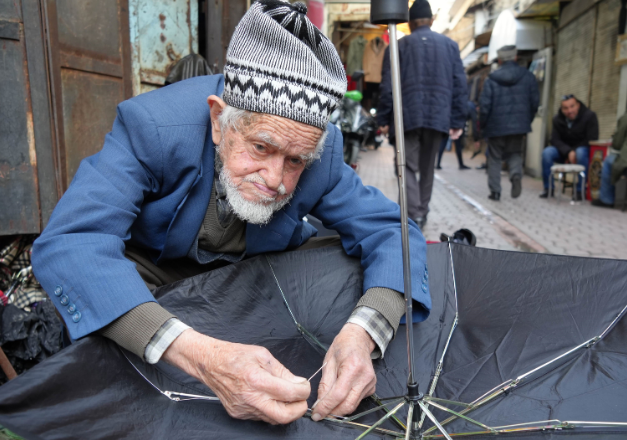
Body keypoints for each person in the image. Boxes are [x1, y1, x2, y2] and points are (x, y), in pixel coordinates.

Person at [31, 0, 429, 427]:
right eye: (261, 147)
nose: (275, 178)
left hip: (250, 287)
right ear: (219, 119)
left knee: (345, 261)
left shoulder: (322, 153)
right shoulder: (154, 128)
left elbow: (393, 230)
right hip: (153, 285)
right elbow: (71, 243)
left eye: (295, 161)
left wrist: (363, 334)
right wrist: (200, 356)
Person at [376, 0, 468, 228]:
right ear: (432, 21)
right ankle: (421, 213)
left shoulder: (398, 46)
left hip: (407, 117)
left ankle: (412, 214)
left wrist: (383, 119)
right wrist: (457, 120)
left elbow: (387, 85)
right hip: (438, 118)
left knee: (406, 165)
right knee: (427, 169)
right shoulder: (450, 46)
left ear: (410, 23)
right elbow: (460, 84)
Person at [478, 45, 540, 201]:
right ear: (515, 57)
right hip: (519, 126)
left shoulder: (491, 79)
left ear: (499, 60)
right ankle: (516, 175)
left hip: (495, 126)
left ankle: (495, 191)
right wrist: (527, 121)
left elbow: (484, 106)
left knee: (494, 158)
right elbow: (535, 103)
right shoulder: (528, 76)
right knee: (515, 153)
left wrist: (483, 126)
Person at [541, 94, 599, 199]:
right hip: (563, 152)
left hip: (582, 152)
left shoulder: (590, 116)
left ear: (578, 105)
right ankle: (548, 189)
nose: (569, 111)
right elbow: (554, 139)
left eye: (572, 106)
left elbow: (592, 139)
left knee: (581, 152)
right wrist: (568, 152)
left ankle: (579, 191)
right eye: (566, 108)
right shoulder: (557, 119)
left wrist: (574, 151)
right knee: (547, 152)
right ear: (562, 109)